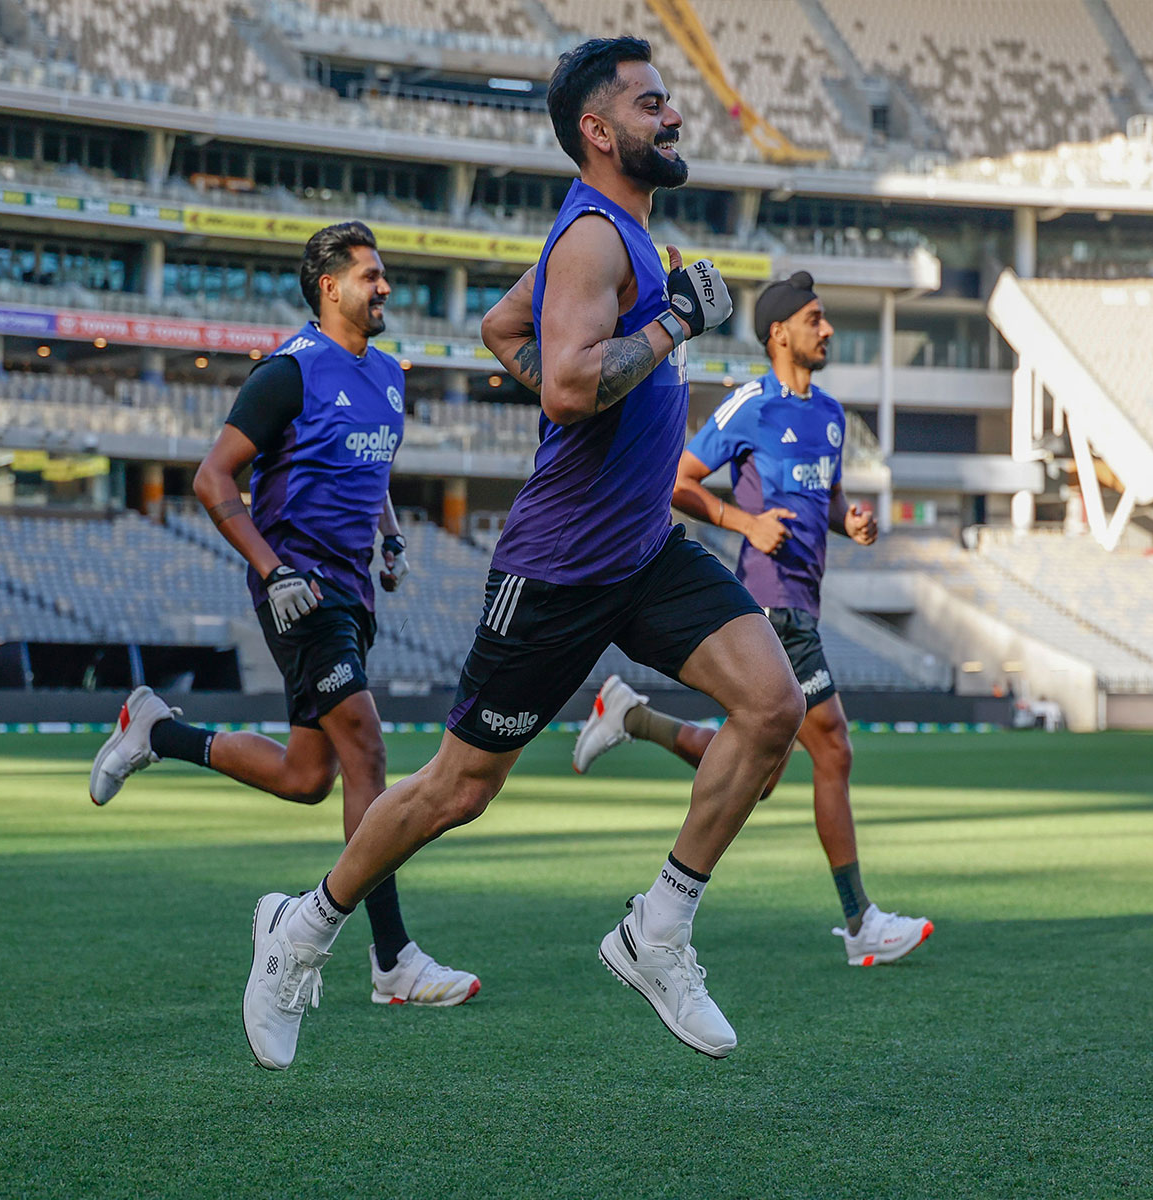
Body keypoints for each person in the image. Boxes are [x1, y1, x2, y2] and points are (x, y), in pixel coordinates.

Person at [240, 36, 804, 1070]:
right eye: (651, 103)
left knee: (773, 707)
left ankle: (657, 932)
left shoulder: (608, 236)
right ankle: (302, 930)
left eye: (669, 100)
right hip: (554, 570)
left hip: (640, 549)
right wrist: (675, 321)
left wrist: (637, 335)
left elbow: (506, 327)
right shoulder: (597, 241)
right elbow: (565, 388)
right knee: (457, 789)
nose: (673, 116)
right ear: (598, 131)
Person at [89, 221, 479, 1014]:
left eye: (385, 275)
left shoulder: (390, 377)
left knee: (310, 778)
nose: (386, 289)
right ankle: (392, 958)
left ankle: (155, 732)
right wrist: (272, 570)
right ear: (330, 286)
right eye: (372, 276)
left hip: (353, 595)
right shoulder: (287, 373)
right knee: (368, 747)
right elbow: (211, 479)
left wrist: (393, 537)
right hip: (302, 595)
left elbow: (370, 467)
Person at [572, 272, 934, 968]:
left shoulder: (829, 414)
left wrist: (847, 518)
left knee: (760, 774)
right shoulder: (748, 406)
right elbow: (677, 479)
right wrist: (743, 521)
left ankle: (631, 716)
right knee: (833, 749)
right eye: (816, 319)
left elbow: (823, 497)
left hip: (805, 602)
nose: (827, 330)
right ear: (779, 333)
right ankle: (862, 924)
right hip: (768, 602)